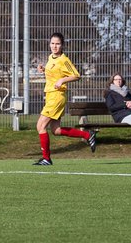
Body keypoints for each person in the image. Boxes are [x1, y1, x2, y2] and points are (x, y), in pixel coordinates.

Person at [34, 32, 96, 166]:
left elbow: (76, 75)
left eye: (57, 44)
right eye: (52, 43)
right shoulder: (51, 57)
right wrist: (43, 69)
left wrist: (62, 80)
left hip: (57, 96)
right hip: (50, 95)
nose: (55, 46)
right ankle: (87, 135)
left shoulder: (64, 59)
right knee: (56, 130)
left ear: (62, 45)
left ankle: (46, 158)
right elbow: (54, 73)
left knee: (40, 126)